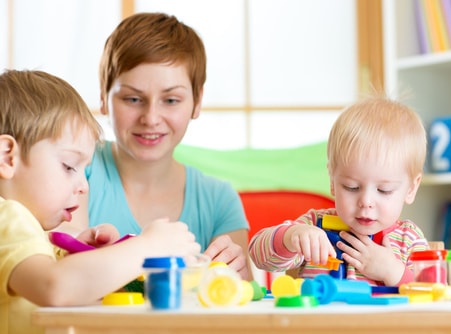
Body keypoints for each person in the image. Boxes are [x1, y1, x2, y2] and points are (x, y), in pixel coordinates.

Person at [0, 69, 201, 334]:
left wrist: (80, 258)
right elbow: (56, 288)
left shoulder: (28, 230)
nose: (84, 186)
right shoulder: (9, 217)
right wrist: (149, 246)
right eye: (69, 166)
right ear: (7, 158)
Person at [65, 12, 252, 280]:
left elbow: (239, 301)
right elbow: (64, 271)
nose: (151, 118)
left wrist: (237, 273)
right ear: (103, 98)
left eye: (171, 100)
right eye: (132, 99)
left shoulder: (219, 200)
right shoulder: (76, 169)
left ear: (197, 102)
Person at [249, 95, 429, 286]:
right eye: (351, 187)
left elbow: (434, 294)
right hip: (320, 317)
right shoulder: (316, 225)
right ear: (333, 181)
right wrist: (290, 236)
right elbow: (258, 256)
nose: (366, 201)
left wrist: (394, 272)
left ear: (411, 188)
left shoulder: (408, 239)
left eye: (384, 190)